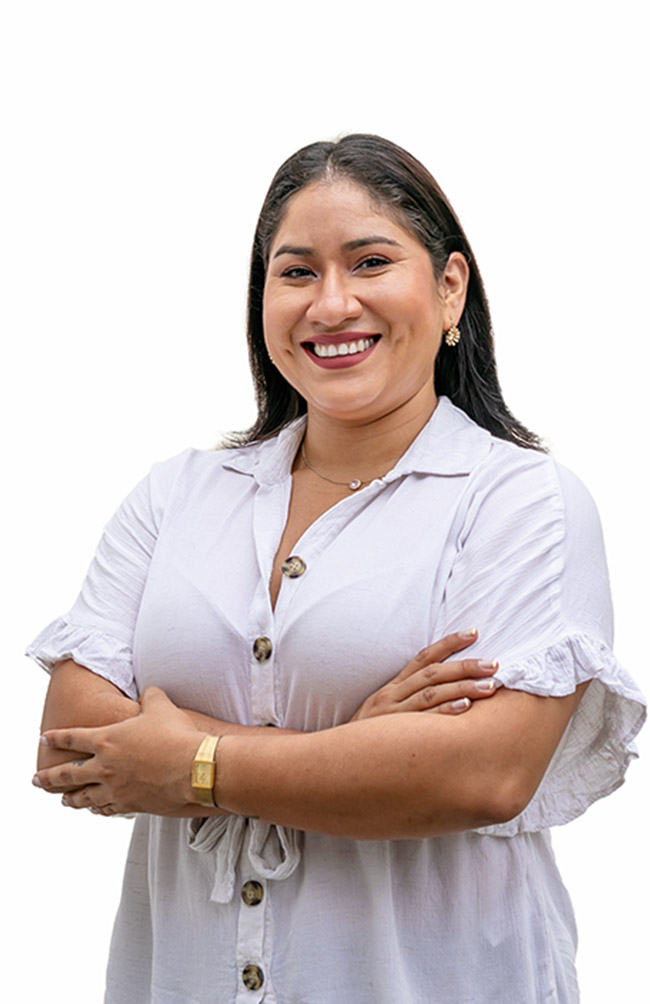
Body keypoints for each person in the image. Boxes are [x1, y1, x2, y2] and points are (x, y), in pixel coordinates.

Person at [29, 134, 645, 1004]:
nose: (332, 303)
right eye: (296, 272)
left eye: (370, 262)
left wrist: (191, 762)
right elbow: (73, 740)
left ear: (450, 287)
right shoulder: (177, 495)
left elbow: (481, 776)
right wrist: (357, 748)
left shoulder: (521, 502)